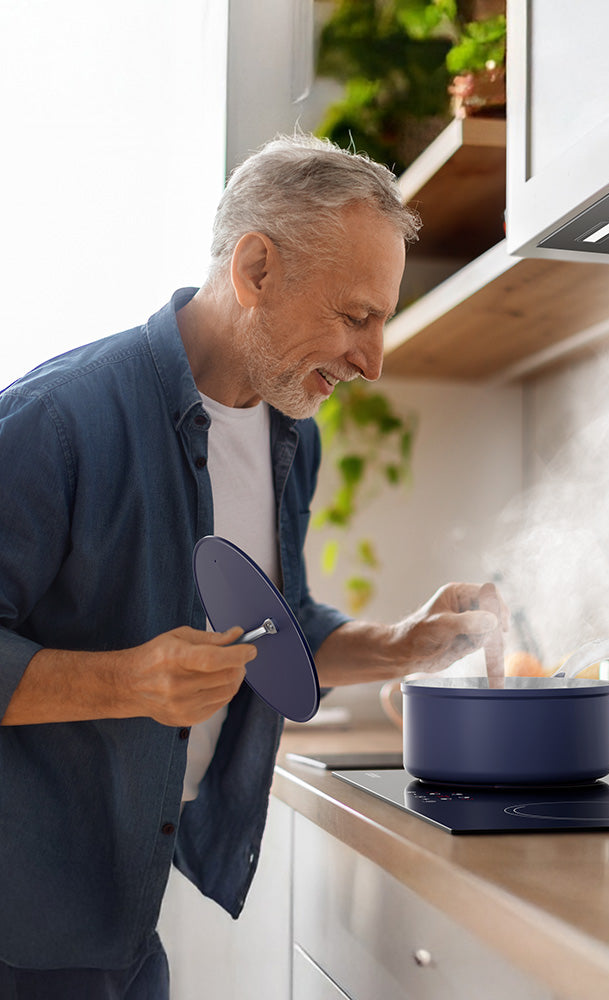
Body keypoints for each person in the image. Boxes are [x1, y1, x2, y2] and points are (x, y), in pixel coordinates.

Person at [0, 132, 507, 997]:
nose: (373, 362)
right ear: (256, 270)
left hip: (121, 920)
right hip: (24, 928)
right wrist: (132, 681)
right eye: (357, 317)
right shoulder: (54, 423)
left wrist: (402, 644)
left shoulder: (285, 438)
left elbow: (278, 630)